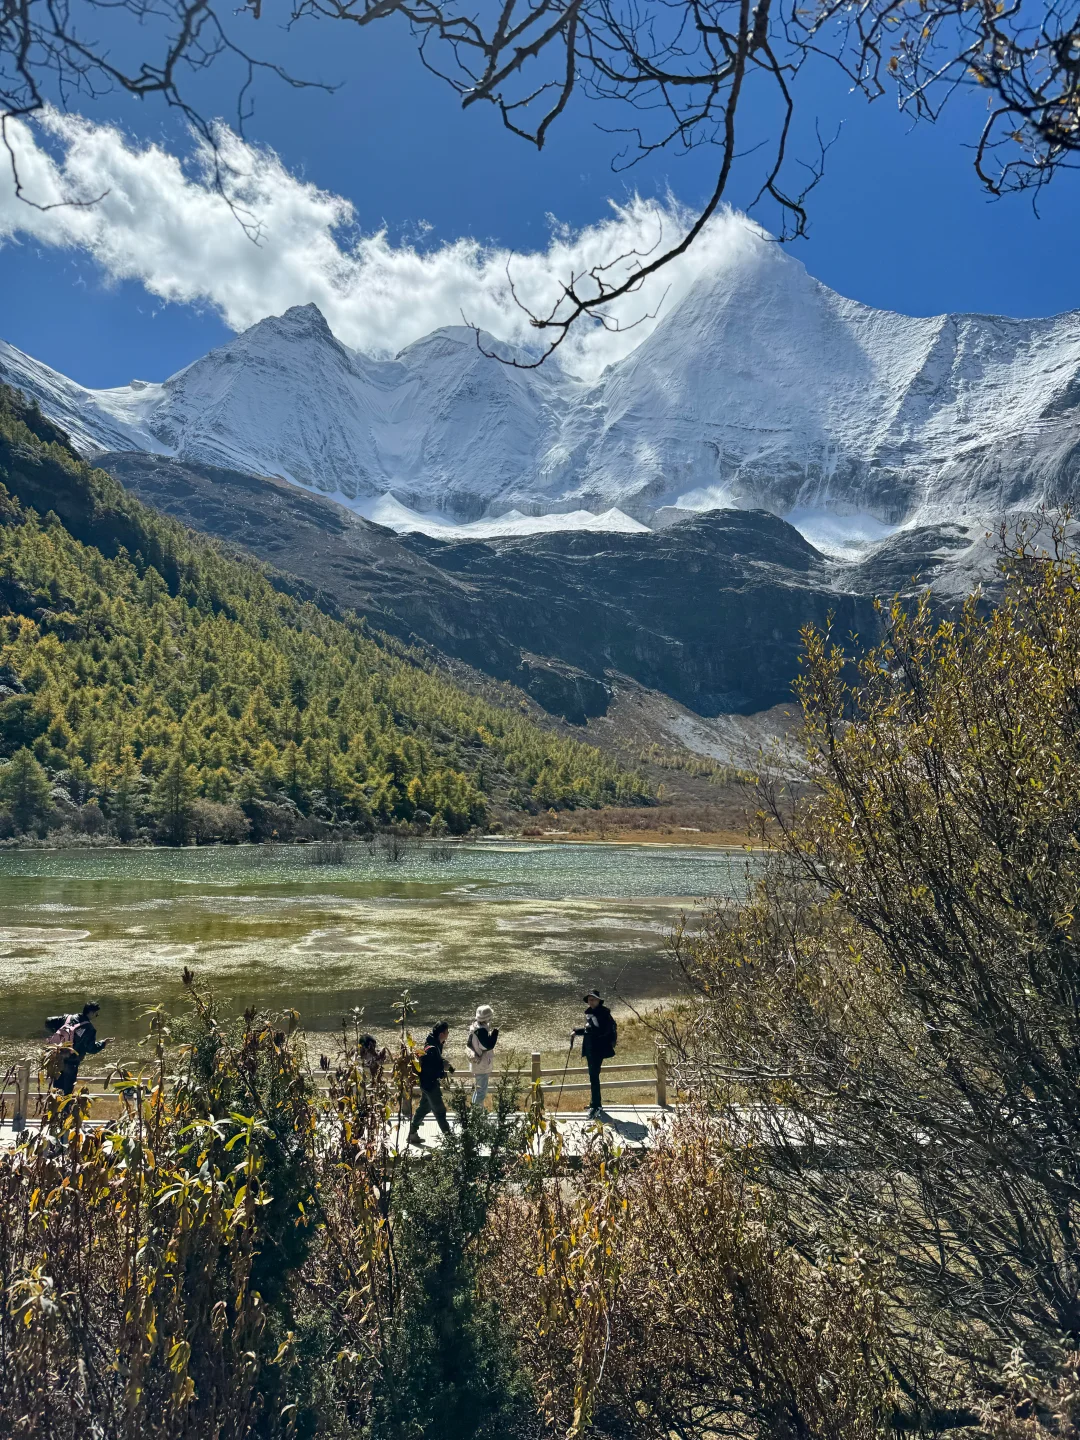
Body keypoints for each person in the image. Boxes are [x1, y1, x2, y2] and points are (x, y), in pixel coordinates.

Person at [45, 1001, 109, 1095]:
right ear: (91, 1012)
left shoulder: (68, 1018)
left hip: (58, 1058)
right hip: (72, 1062)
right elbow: (92, 1049)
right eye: (96, 1013)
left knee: (57, 1088)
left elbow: (48, 1021)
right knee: (67, 1090)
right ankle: (65, 1109)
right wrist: (103, 1043)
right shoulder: (89, 1029)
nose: (96, 1016)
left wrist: (55, 1033)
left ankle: (55, 1107)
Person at [407, 1022, 454, 1146]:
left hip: (426, 1084)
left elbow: (435, 1062)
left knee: (424, 1108)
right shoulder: (432, 1048)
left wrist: (443, 1064)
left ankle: (412, 1134)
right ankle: (450, 1139)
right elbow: (430, 1068)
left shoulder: (433, 1044)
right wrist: (442, 1068)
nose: (448, 1035)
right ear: (442, 1034)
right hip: (430, 1085)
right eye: (447, 1032)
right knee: (440, 1111)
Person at [573, 990, 617, 1117]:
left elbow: (600, 1031)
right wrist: (578, 1032)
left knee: (594, 1077)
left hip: (598, 1049)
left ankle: (596, 1106)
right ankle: (594, 1103)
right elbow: (590, 1029)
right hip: (590, 1048)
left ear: (598, 1001)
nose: (591, 1001)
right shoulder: (591, 1012)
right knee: (593, 1077)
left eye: (593, 999)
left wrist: (581, 1031)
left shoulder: (603, 1014)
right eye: (589, 999)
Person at [465, 1004, 499, 1107]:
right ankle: (477, 1116)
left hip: (477, 1063)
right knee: (481, 1092)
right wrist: (494, 1035)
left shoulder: (475, 1027)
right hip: (481, 1065)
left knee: (478, 1090)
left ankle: (477, 1113)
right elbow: (487, 1046)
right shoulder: (481, 1031)